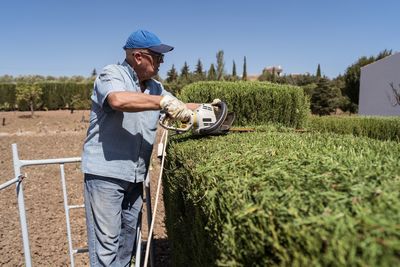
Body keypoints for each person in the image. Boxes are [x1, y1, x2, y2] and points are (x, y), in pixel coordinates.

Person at [81, 29, 200, 266]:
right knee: (107, 249)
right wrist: (163, 102)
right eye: (157, 56)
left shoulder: (155, 88)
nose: (162, 62)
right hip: (106, 176)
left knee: (127, 245)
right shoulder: (111, 74)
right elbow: (118, 100)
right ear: (138, 57)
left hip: (135, 177)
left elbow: (177, 105)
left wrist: (208, 110)